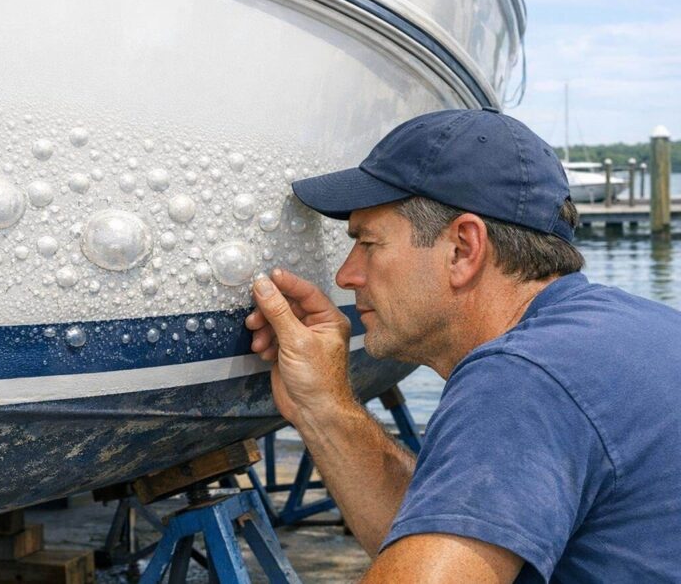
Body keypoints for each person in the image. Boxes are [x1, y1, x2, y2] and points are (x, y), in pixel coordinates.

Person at [245, 108, 681, 583]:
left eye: (368, 243)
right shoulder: (632, 332)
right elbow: (440, 543)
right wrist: (322, 405)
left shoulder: (522, 377)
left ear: (463, 249)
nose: (345, 275)